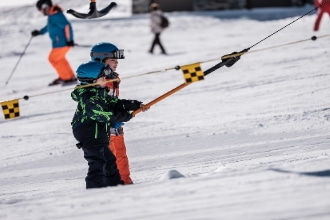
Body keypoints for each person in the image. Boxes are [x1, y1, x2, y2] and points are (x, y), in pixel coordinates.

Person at [71, 58, 149, 189]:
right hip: (88, 133)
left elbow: (115, 103)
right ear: (92, 80)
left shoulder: (100, 93)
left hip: (98, 132)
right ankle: (95, 189)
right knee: (97, 162)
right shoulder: (89, 97)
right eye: (103, 78)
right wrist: (125, 116)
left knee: (109, 161)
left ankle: (115, 186)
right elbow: (104, 115)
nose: (106, 80)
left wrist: (135, 105)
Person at [90, 42, 136, 184]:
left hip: (115, 128)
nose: (116, 63)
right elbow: (99, 108)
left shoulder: (112, 78)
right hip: (103, 129)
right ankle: (110, 185)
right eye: (113, 60)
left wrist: (128, 107)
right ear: (100, 60)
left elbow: (112, 102)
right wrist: (116, 116)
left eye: (117, 60)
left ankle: (125, 182)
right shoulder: (98, 82)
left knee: (121, 156)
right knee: (109, 159)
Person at [31, 0, 77, 86]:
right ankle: (68, 76)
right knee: (60, 59)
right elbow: (49, 27)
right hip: (58, 43)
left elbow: (67, 26)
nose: (41, 12)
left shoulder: (56, 15)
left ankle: (66, 78)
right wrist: (40, 32)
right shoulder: (52, 15)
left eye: (40, 9)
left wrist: (70, 40)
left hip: (63, 43)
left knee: (53, 59)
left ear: (45, 6)